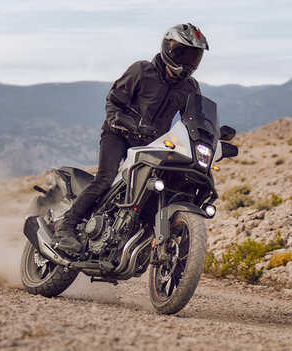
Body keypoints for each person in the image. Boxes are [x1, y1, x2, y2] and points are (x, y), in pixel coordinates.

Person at [53, 23, 209, 255]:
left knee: (160, 187)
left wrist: (208, 134)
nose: (187, 61)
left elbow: (194, 119)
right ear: (168, 49)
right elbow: (114, 101)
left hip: (151, 144)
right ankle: (66, 225)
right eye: (182, 53)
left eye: (193, 56)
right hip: (118, 133)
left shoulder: (190, 87)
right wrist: (122, 121)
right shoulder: (141, 71)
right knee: (105, 179)